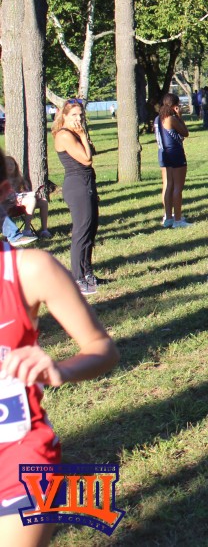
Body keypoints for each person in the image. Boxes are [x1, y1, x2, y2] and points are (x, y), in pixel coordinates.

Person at [0, 149, 119, 547]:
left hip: (18, 462)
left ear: (3, 192)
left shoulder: (30, 270)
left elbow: (102, 348)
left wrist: (59, 369)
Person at [51, 100, 100, 295]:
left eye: (80, 115)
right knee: (81, 231)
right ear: (64, 116)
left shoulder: (74, 133)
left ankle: (88, 274)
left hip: (87, 183)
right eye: (74, 115)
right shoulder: (64, 135)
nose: (78, 118)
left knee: (90, 230)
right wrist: (82, 136)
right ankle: (77, 279)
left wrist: (81, 136)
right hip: (77, 186)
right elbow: (87, 160)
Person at [155, 93, 190, 228]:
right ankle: (178, 220)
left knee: (168, 185)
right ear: (175, 105)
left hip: (163, 153)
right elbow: (185, 132)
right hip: (175, 153)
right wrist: (179, 116)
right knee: (177, 187)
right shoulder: (171, 119)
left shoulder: (158, 118)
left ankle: (168, 217)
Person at [3, 156, 50, 241]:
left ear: (15, 166)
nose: (10, 166)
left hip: (22, 205)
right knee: (31, 200)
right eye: (7, 164)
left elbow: (25, 192)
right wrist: (27, 196)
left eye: (12, 164)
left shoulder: (19, 179)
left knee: (43, 201)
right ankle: (27, 230)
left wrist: (33, 195)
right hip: (9, 207)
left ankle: (44, 230)